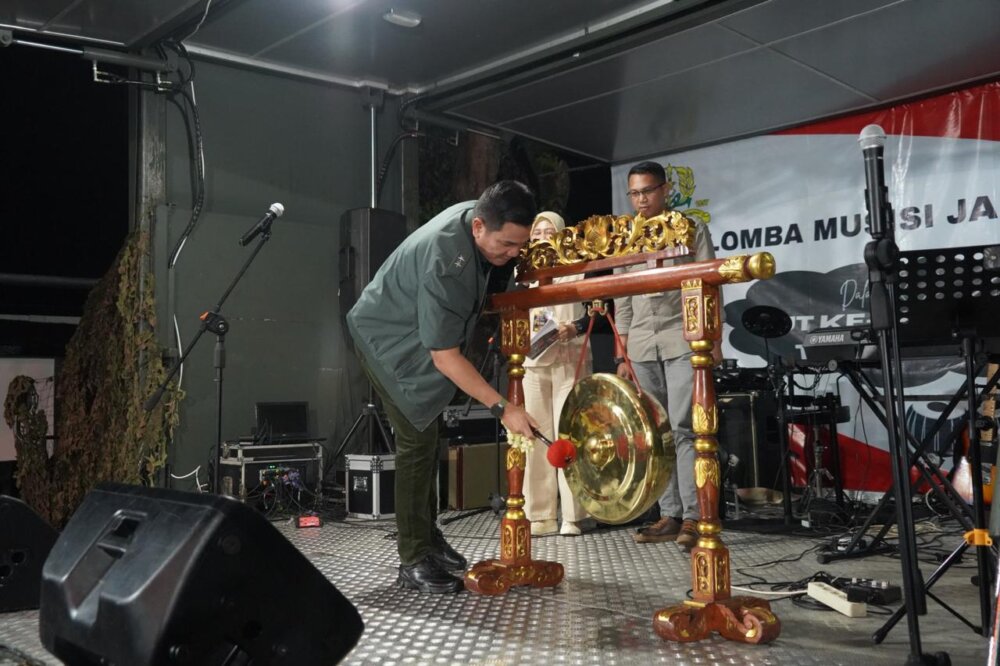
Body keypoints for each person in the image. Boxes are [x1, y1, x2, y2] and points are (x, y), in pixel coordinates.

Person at [346, 181, 540, 593]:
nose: (512, 255)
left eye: (519, 246)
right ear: (479, 228)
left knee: (429, 436)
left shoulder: (479, 215)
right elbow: (445, 356)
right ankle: (413, 558)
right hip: (386, 339)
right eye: (506, 245)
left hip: (411, 332)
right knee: (417, 439)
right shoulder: (446, 260)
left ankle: (428, 538)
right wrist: (503, 408)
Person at [613, 161, 720, 551]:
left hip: (682, 340)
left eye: (648, 191)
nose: (641, 199)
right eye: (635, 193)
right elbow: (621, 297)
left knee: (684, 428)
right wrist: (621, 354)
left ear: (665, 190)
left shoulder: (691, 229)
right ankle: (669, 514)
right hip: (640, 344)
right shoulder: (625, 237)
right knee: (655, 433)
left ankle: (695, 516)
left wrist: (713, 340)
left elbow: (710, 284)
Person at [521, 212, 595, 537]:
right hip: (534, 364)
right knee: (535, 437)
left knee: (570, 435)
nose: (541, 236)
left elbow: (597, 311)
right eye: (536, 232)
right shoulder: (524, 275)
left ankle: (574, 515)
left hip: (570, 358)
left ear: (562, 235)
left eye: (548, 231)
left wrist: (573, 328)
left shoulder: (576, 269)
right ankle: (539, 513)